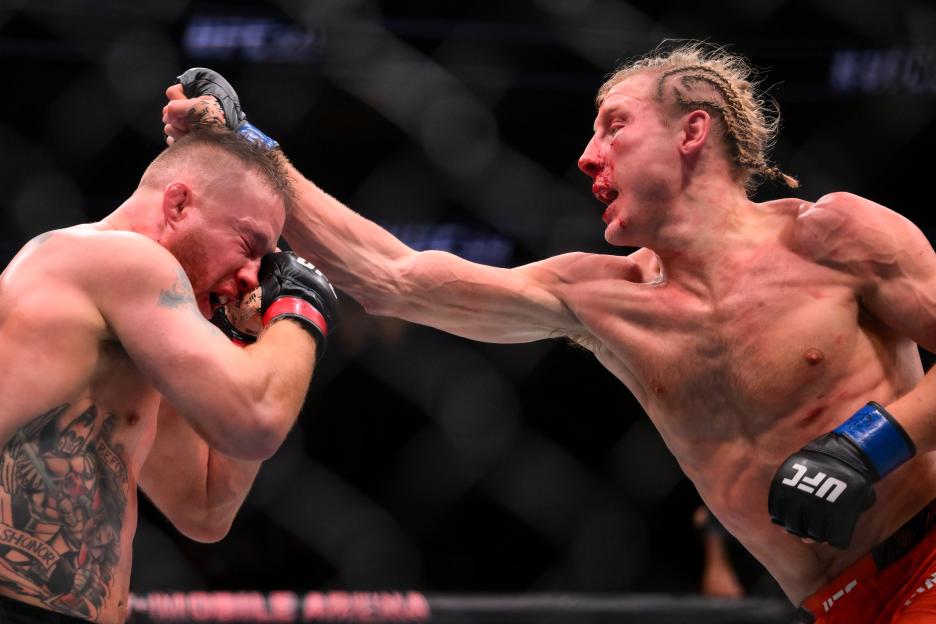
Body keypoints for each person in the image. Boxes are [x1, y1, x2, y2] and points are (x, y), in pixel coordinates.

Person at [163, 43, 936, 622]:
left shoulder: (831, 237)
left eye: (614, 127)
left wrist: (868, 444)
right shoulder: (601, 297)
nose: (586, 155)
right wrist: (249, 149)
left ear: (693, 131)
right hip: (831, 605)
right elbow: (392, 276)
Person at [0, 126, 339, 623]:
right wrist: (300, 306)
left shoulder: (122, 338)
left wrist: (247, 337)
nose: (252, 276)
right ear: (178, 203)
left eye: (265, 265)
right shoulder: (125, 259)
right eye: (248, 244)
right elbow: (258, 419)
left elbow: (205, 508)